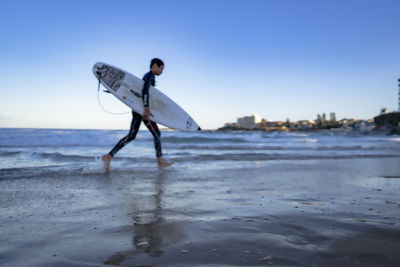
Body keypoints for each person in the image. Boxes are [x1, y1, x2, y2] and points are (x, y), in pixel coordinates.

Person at [101, 58, 172, 172]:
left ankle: (108, 156)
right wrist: (146, 108)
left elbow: (138, 91)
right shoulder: (149, 76)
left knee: (132, 135)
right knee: (156, 134)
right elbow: (145, 91)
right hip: (142, 110)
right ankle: (160, 162)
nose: (162, 71)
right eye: (161, 68)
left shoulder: (147, 76)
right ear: (155, 66)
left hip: (139, 109)